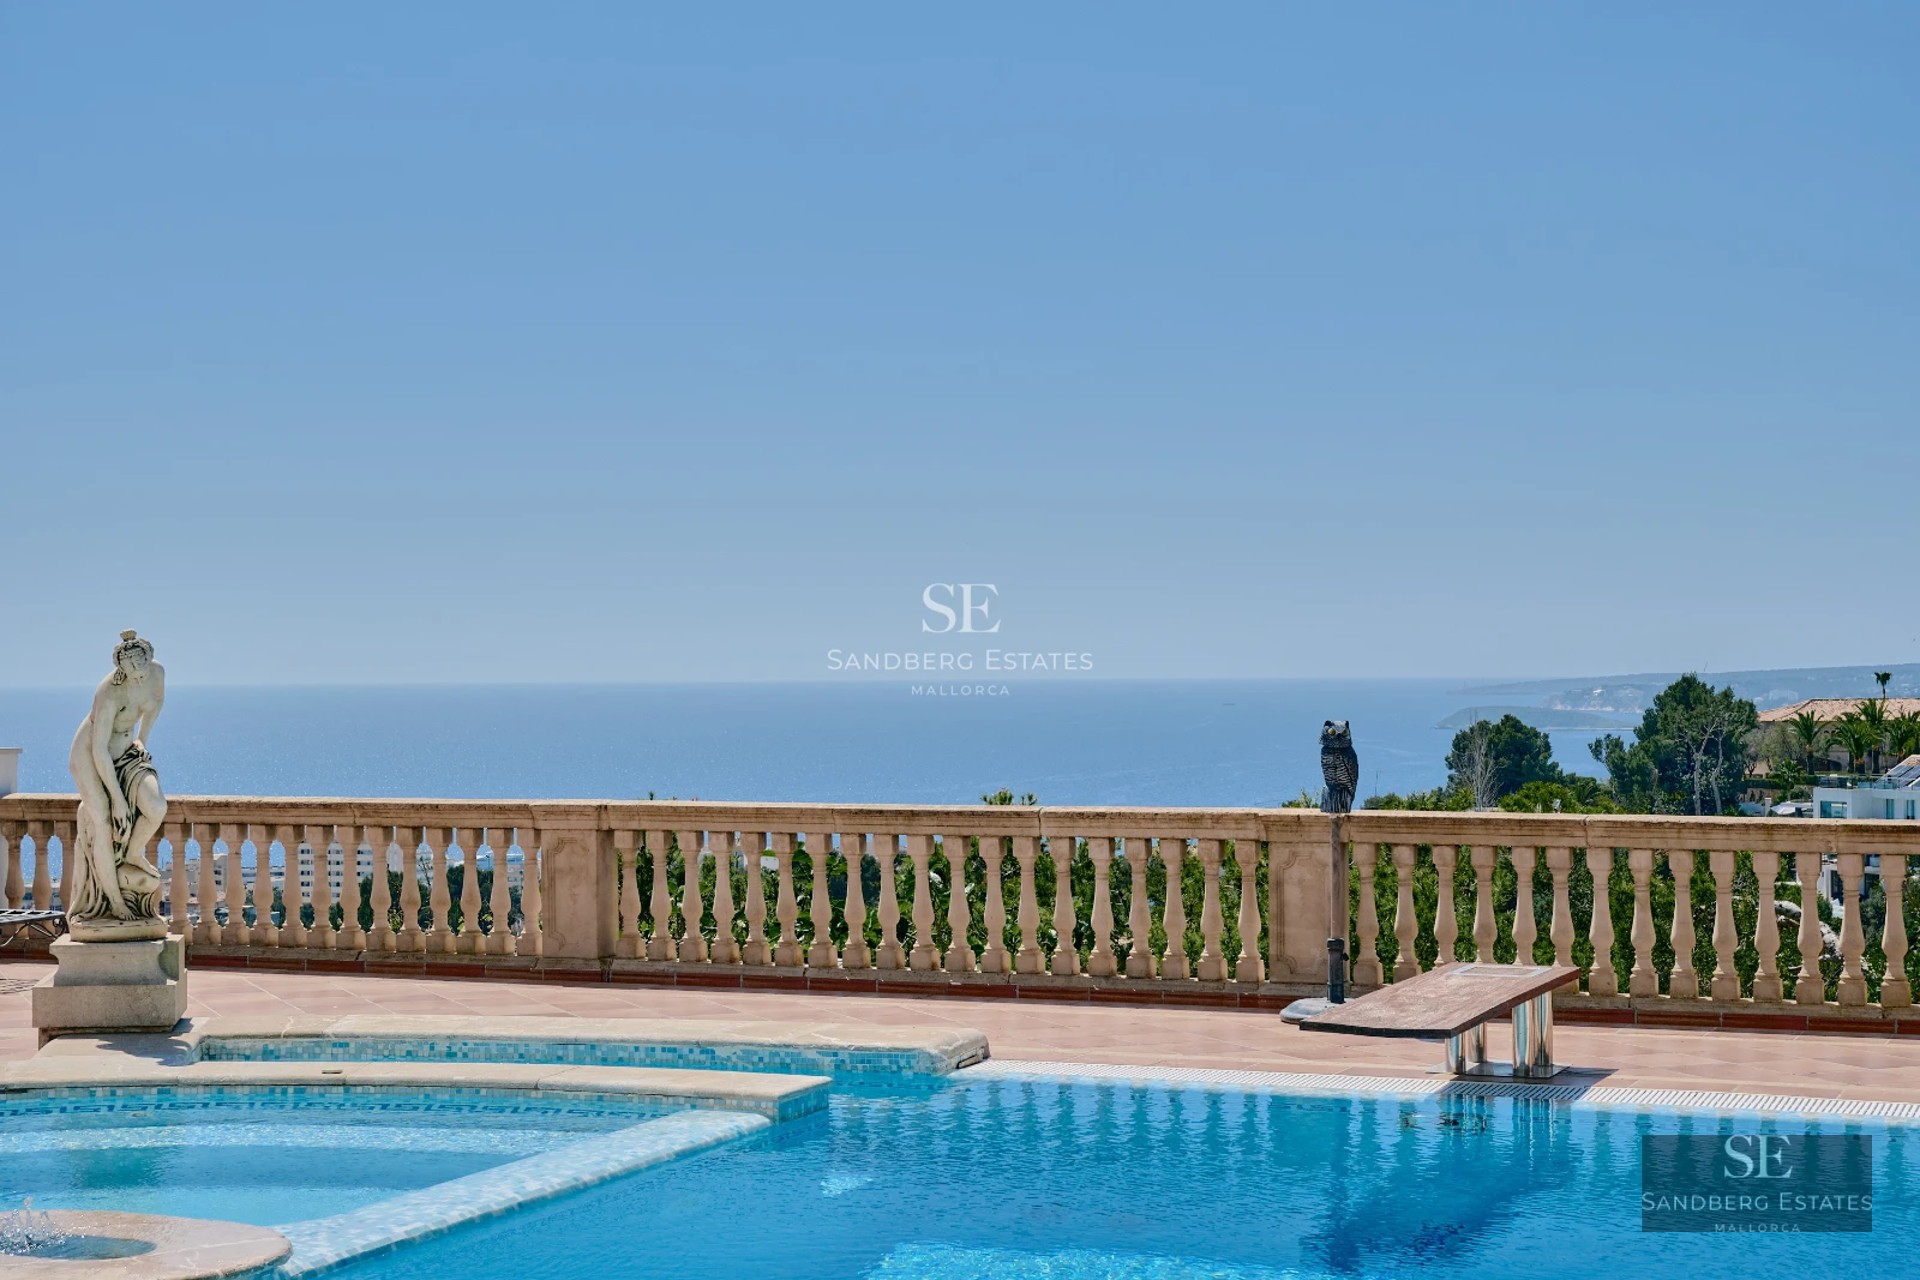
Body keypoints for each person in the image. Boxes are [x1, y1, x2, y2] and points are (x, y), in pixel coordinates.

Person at [66, 630, 168, 928]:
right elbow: (98, 749)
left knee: (156, 807)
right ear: (119, 666)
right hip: (91, 756)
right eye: (129, 669)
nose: (137, 675)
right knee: (104, 822)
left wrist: (142, 740)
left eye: (141, 667)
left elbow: (156, 705)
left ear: (149, 659)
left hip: (127, 750)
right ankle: (115, 900)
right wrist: (118, 800)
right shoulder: (109, 690)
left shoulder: (157, 673)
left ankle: (133, 852)